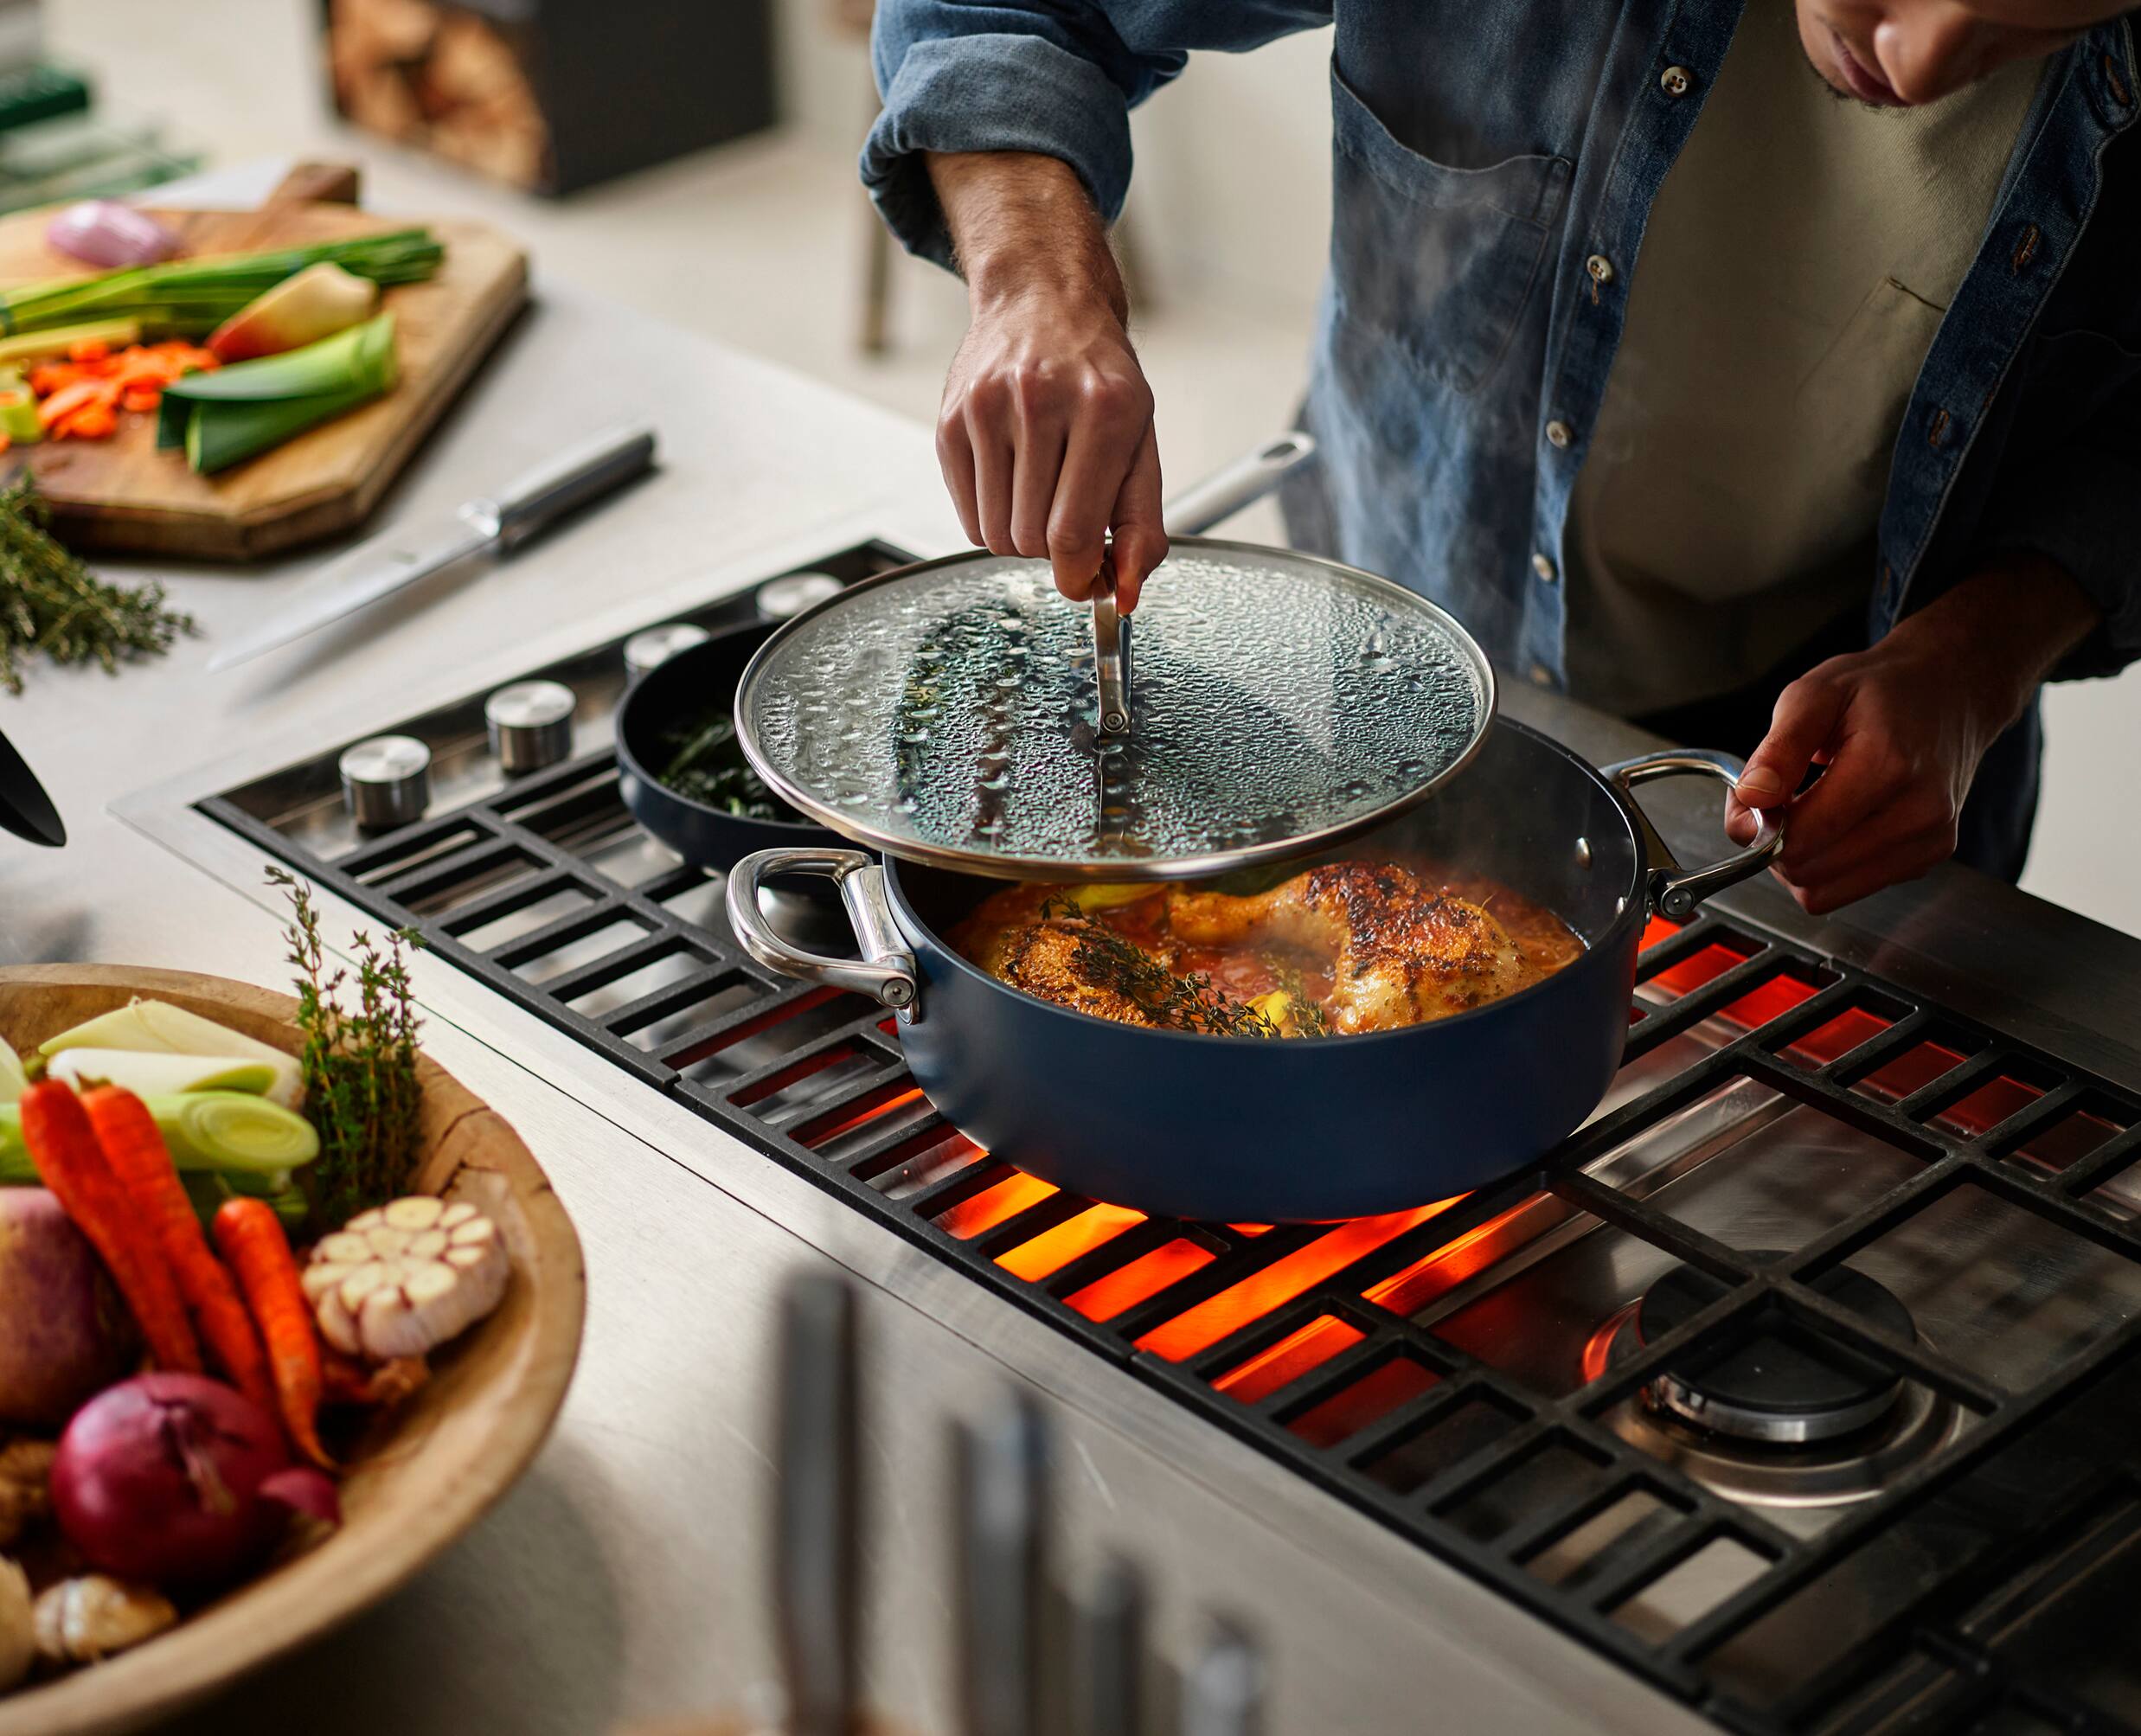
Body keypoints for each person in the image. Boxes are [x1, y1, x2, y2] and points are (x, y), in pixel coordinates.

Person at [860, 0, 2141, 914]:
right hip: (1378, 672)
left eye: (2022, 29)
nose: (1916, 60)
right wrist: (1036, 281)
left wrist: (1974, 663)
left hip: (1858, 798)